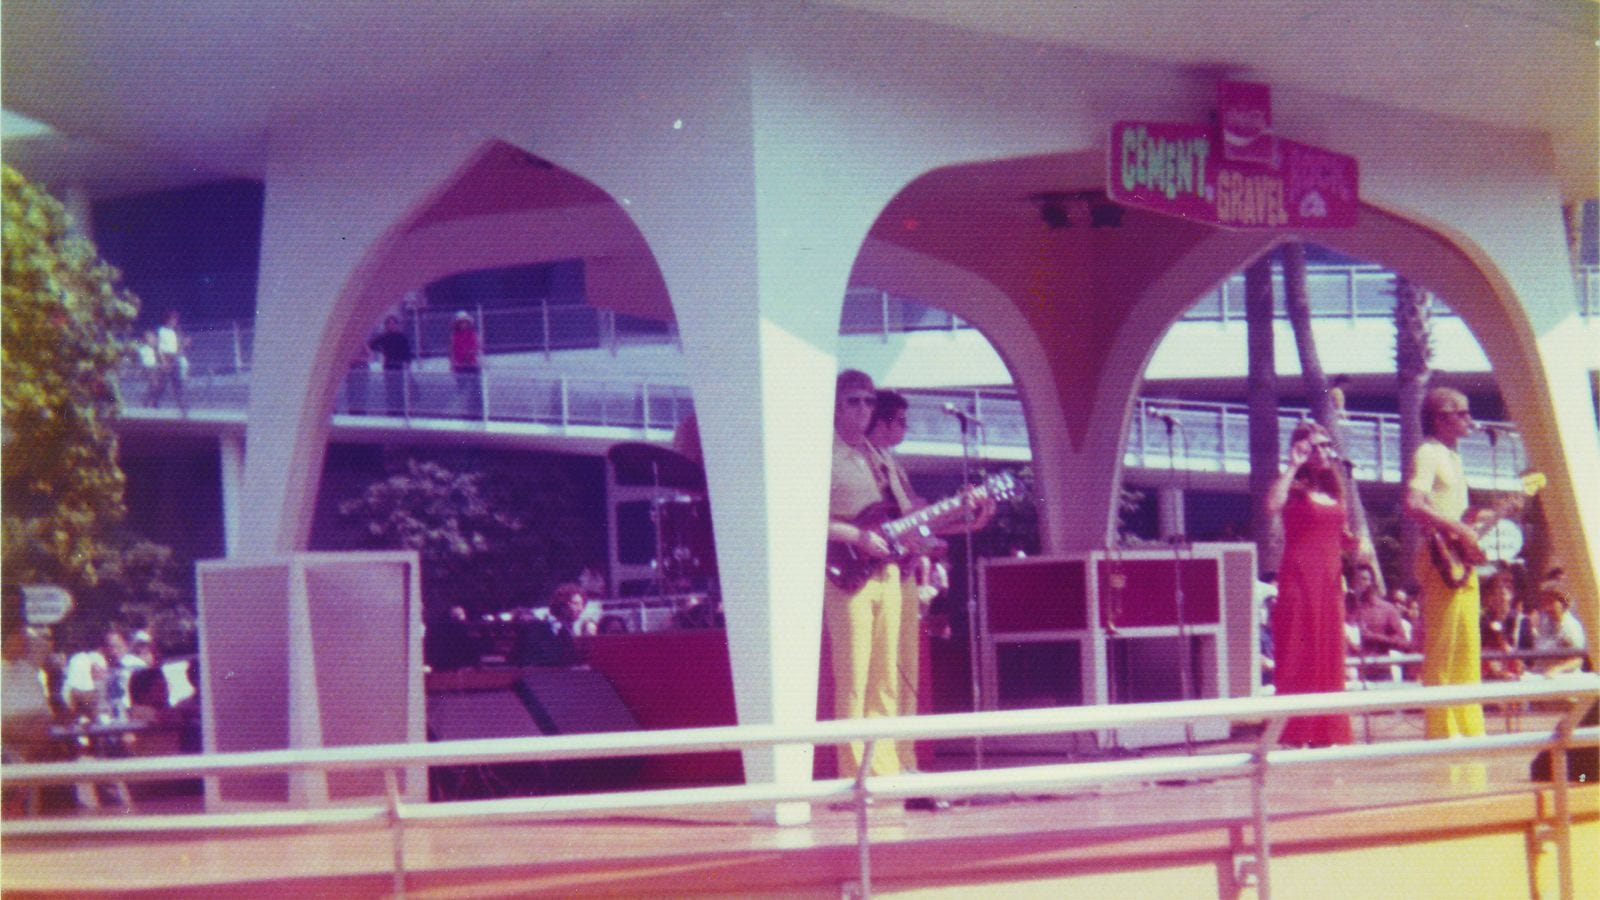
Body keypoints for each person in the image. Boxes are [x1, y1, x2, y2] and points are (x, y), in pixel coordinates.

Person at [865, 389, 992, 778]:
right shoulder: (867, 463)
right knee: (885, 674)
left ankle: (903, 760)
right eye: (901, 421)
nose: (905, 428)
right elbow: (891, 524)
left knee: (906, 671)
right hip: (877, 575)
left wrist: (966, 519)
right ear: (882, 423)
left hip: (902, 572)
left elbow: (916, 525)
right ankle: (882, 765)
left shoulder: (893, 465)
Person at [1264, 420, 1356, 746]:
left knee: (1329, 652)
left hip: (1329, 581)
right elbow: (1271, 506)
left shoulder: (1334, 489)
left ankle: (1325, 731)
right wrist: (1293, 465)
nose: (1323, 451)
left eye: (1326, 445)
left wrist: (1353, 542)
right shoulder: (1294, 488)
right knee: (1299, 651)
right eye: (1315, 446)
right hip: (1300, 577)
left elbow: (1338, 535)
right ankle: (1295, 731)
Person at [1403, 387, 1486, 739]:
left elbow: (1452, 510)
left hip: (1459, 558)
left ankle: (1469, 734)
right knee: (1444, 648)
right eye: (1462, 413)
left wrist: (1473, 526)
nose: (1469, 420)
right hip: (1441, 560)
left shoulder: (1454, 456)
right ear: (1440, 418)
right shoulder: (1428, 453)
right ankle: (1443, 735)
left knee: (1467, 646)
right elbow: (1413, 503)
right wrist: (1457, 528)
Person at [1350, 563, 1409, 683]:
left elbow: (1403, 642)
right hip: (1354, 674)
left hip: (1380, 673)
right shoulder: (1349, 610)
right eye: (1356, 580)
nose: (1360, 584)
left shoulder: (1387, 609)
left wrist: (1373, 637)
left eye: (1364, 579)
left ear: (1372, 582)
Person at [1531, 588, 1588, 675]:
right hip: (1541, 675)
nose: (1546, 608)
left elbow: (1577, 660)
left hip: (1563, 678)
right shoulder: (1546, 622)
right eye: (1544, 603)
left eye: (1551, 603)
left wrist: (1557, 669)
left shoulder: (1570, 626)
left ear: (1563, 603)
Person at [367, 314, 414, 416]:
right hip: (388, 365)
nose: (391, 326)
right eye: (389, 324)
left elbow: (407, 352)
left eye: (393, 324)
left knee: (401, 389)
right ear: (386, 326)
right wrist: (381, 350)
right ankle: (392, 411)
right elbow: (371, 345)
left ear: (397, 325)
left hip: (400, 365)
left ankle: (402, 411)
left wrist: (408, 365)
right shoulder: (383, 337)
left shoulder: (402, 337)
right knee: (390, 389)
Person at [149, 310, 190, 412]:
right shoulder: (160, 330)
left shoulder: (175, 332)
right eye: (173, 319)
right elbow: (158, 347)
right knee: (162, 383)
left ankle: (182, 405)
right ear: (168, 319)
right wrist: (163, 361)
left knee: (177, 382)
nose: (175, 322)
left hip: (174, 358)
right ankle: (154, 401)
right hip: (164, 357)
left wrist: (184, 344)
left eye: (175, 319)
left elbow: (178, 348)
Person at [449, 311, 483, 419]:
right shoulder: (454, 336)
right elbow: (452, 350)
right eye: (460, 322)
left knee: (475, 388)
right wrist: (452, 364)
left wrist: (470, 355)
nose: (463, 324)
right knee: (462, 389)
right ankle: (465, 412)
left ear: (468, 323)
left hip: (471, 365)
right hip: (459, 366)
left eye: (465, 322)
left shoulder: (473, 334)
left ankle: (477, 411)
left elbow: (476, 348)